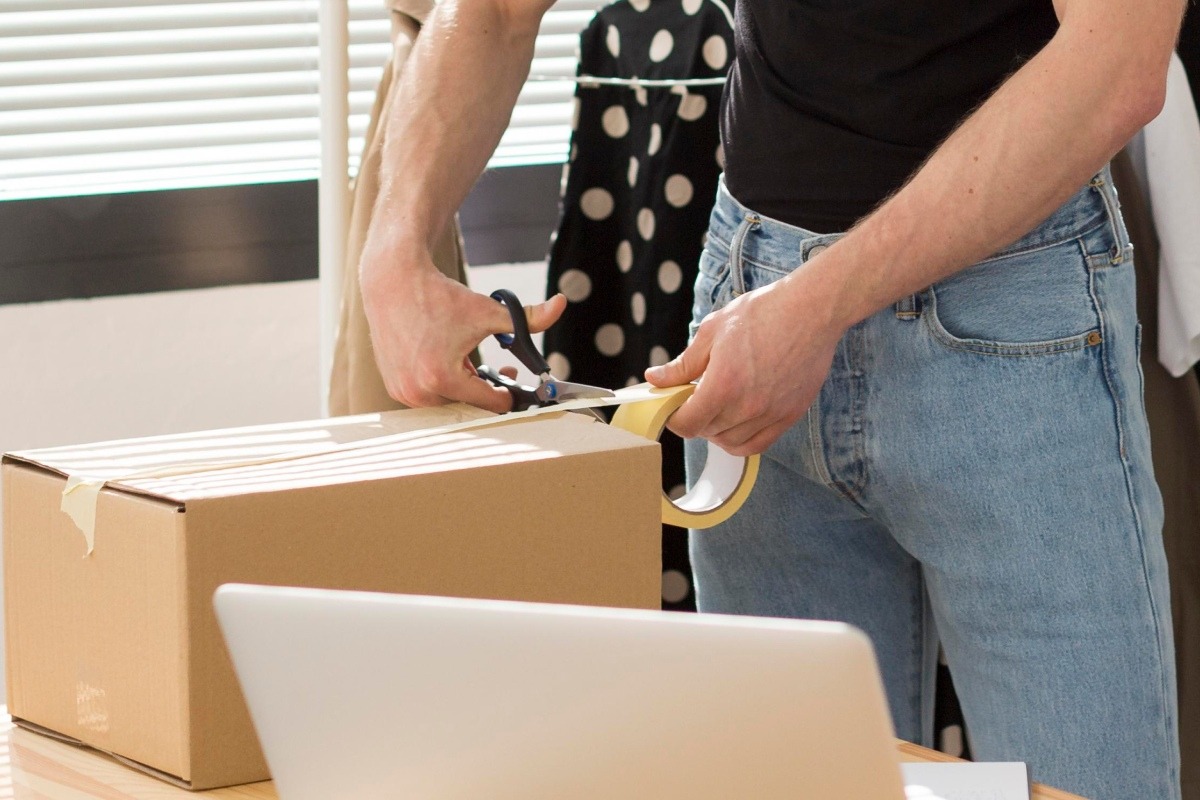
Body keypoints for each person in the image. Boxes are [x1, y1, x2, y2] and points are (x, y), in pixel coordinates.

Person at [356, 0, 1185, 796]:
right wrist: (392, 247)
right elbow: (497, 9)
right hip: (751, 292)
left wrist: (818, 304)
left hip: (1005, 317)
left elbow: (1115, 62)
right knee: (791, 781)